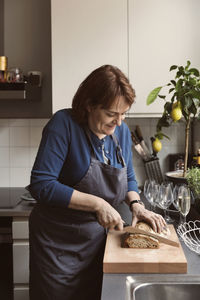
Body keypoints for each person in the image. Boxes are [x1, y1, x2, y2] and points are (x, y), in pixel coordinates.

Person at [28, 65, 166, 300]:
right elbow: (42, 184)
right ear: (90, 105)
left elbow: (129, 177)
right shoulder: (63, 125)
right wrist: (98, 204)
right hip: (58, 249)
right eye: (112, 114)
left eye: (123, 114)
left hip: (98, 246)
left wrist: (136, 205)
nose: (119, 122)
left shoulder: (120, 132)